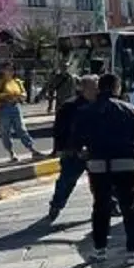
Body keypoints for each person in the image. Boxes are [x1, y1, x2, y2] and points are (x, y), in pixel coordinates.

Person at [71, 74, 134, 264]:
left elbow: (75, 140)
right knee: (129, 208)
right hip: (125, 163)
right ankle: (133, 250)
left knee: (100, 207)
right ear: (117, 88)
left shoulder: (85, 111)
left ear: (100, 88)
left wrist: (82, 152)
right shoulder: (130, 109)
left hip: (98, 164)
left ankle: (100, 249)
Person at [48, 75, 98, 220]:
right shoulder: (70, 106)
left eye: (97, 87)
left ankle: (108, 205)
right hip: (74, 151)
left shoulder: (101, 104)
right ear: (83, 89)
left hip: (95, 150)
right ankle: (56, 205)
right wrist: (61, 148)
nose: (96, 90)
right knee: (66, 181)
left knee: (101, 181)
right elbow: (59, 129)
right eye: (92, 87)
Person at [0, 62, 44, 162]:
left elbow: (24, 93)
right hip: (3, 109)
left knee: (21, 129)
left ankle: (32, 150)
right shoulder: (0, 82)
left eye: (12, 69)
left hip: (16, 107)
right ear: (3, 71)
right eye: (7, 69)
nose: (10, 72)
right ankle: (11, 153)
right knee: (5, 132)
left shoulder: (17, 81)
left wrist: (21, 96)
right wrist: (5, 96)